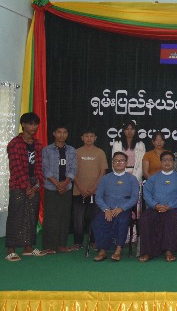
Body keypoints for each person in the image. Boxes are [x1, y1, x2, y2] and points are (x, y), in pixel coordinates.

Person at [5, 112, 47, 261]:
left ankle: (28, 248)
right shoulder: (14, 144)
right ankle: (11, 249)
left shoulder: (38, 145)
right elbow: (16, 168)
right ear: (23, 125)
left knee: (32, 216)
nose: (34, 127)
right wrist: (27, 186)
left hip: (34, 185)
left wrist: (37, 185)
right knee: (16, 216)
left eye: (36, 124)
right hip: (18, 185)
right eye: (30, 124)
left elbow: (40, 167)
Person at [138, 151, 177, 262]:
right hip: (154, 208)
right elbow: (147, 194)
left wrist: (170, 206)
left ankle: (169, 251)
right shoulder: (153, 178)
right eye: (164, 160)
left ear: (174, 162)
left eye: (170, 160)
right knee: (145, 219)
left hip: (172, 209)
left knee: (173, 219)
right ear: (160, 162)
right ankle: (147, 252)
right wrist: (155, 205)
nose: (167, 162)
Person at [92, 151, 139, 262]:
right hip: (107, 209)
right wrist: (106, 209)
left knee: (122, 221)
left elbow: (134, 198)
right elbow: (98, 197)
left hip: (123, 210)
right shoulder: (105, 178)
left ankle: (118, 250)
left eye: (122, 160)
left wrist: (121, 208)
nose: (119, 162)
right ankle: (102, 250)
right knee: (99, 221)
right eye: (116, 160)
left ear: (126, 163)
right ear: (112, 163)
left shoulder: (132, 179)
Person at [42, 125, 77, 253]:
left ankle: (61, 244)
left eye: (65, 132)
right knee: (51, 217)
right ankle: (49, 245)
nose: (62, 135)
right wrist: (57, 184)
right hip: (51, 187)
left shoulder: (72, 150)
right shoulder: (46, 150)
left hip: (66, 188)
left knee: (64, 216)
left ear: (67, 134)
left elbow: (73, 169)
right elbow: (45, 169)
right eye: (59, 132)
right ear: (54, 133)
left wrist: (65, 183)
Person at [72, 128, 108, 251]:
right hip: (79, 191)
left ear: (95, 138)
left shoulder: (100, 152)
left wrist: (94, 188)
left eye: (91, 136)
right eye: (86, 136)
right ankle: (78, 242)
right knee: (78, 219)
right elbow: (72, 172)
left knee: (95, 217)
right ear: (82, 138)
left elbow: (103, 171)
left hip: (96, 191)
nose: (89, 138)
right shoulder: (76, 152)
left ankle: (94, 241)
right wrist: (81, 187)